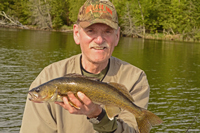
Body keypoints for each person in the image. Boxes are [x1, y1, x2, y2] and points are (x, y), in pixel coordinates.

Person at [20, 0, 150, 133]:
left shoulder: (135, 78)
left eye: (107, 31)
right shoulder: (48, 76)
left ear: (117, 36)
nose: (99, 40)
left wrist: (98, 116)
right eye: (91, 31)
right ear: (76, 34)